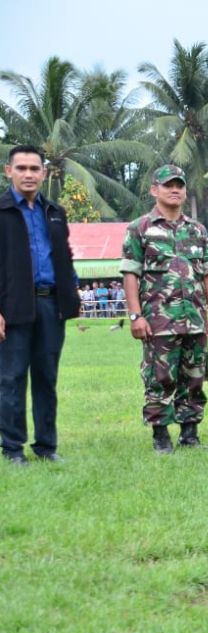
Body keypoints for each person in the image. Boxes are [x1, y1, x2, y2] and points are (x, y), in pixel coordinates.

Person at [120, 165, 208, 453]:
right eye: (168, 185)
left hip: (195, 319)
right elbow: (131, 274)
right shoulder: (140, 228)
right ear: (154, 190)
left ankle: (190, 434)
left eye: (179, 185)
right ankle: (160, 436)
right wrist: (135, 315)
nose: (175, 190)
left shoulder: (197, 230)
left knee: (195, 376)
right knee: (160, 378)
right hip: (158, 321)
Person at [0, 145, 81, 465]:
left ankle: (46, 446)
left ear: (44, 173)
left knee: (47, 377)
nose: (29, 174)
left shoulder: (54, 212)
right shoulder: (2, 211)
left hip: (50, 306)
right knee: (11, 378)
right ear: (9, 172)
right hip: (13, 306)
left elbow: (64, 256)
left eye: (35, 168)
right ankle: (12, 447)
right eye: (21, 168)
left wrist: (71, 297)